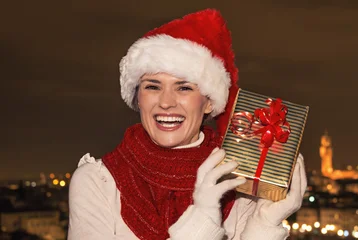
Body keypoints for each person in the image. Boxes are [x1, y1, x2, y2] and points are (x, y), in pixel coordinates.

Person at [68, 9, 307, 240]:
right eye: (152, 86)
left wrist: (265, 222)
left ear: (209, 103)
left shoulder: (237, 179)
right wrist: (203, 219)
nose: (166, 102)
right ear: (137, 97)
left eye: (184, 88)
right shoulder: (97, 182)